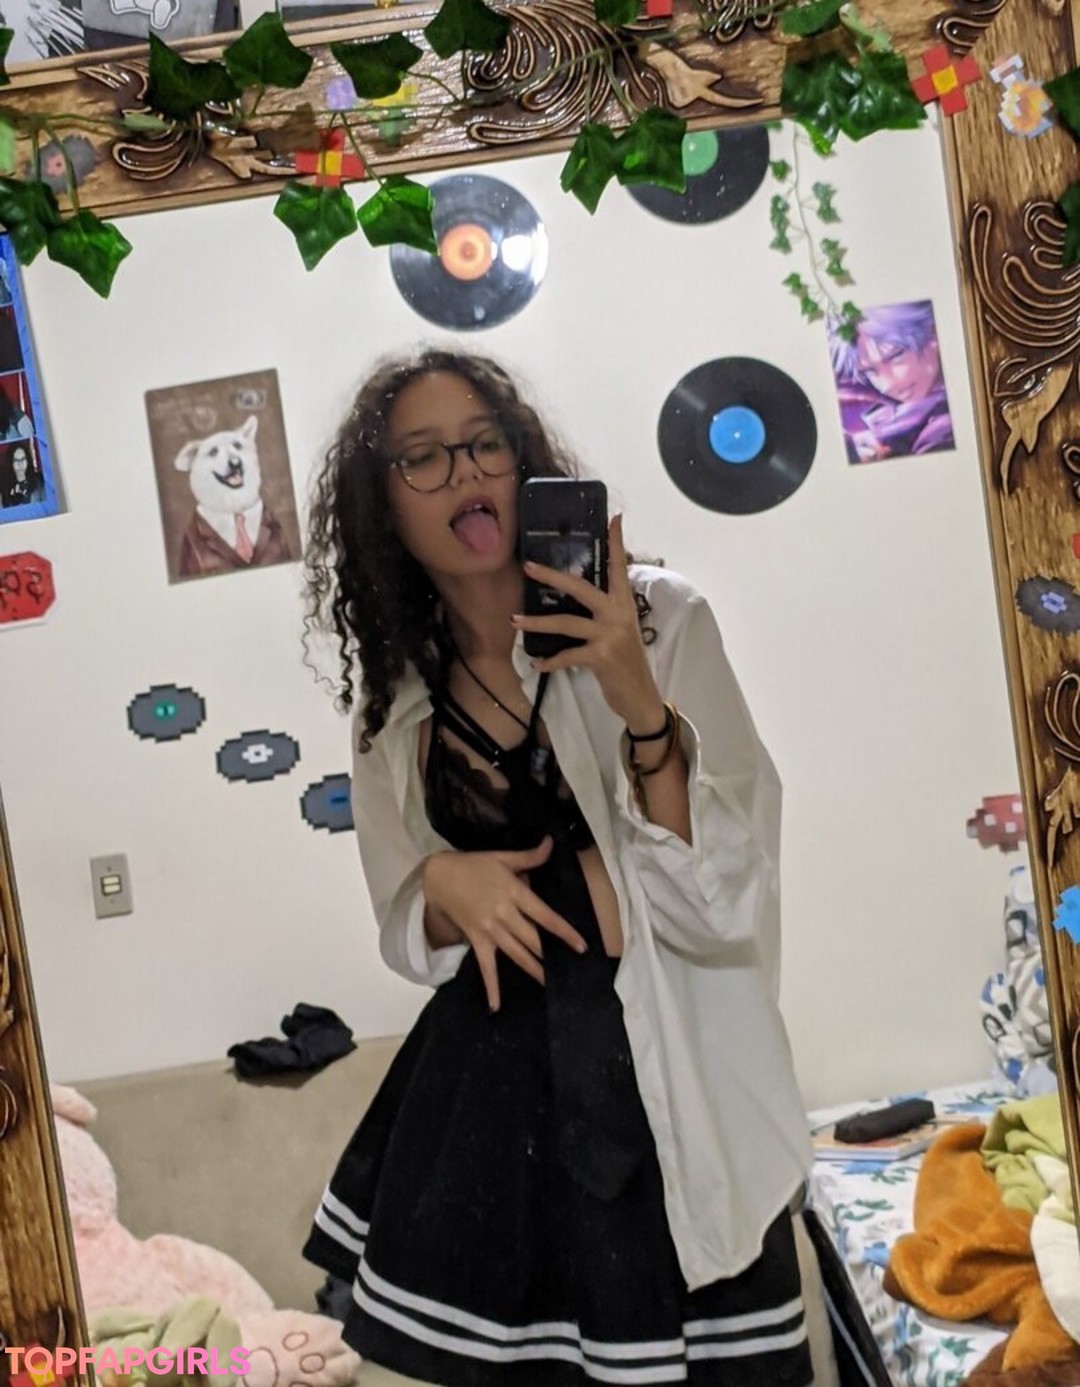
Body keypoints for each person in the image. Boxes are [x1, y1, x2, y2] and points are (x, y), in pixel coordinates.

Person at [301, 348, 814, 1386]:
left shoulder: (662, 621)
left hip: (666, 1074)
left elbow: (728, 891)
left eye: (485, 443)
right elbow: (405, 922)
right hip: (493, 1101)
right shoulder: (393, 699)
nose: (465, 472)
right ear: (382, 506)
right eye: (423, 458)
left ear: (524, 460)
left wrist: (639, 705)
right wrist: (442, 888)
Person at [829, 300, 954, 463]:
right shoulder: (898, 418)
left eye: (896, 356)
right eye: (869, 371)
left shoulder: (942, 429)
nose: (886, 386)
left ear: (932, 333)